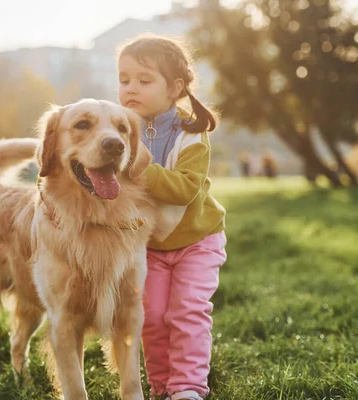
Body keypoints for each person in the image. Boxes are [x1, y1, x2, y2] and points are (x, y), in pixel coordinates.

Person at [117, 34, 227, 400]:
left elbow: (184, 189)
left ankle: (188, 387)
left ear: (174, 87)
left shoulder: (191, 132)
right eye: (124, 79)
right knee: (151, 316)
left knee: (187, 311)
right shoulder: (118, 132)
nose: (131, 88)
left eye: (144, 81)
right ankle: (163, 385)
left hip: (198, 240)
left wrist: (139, 169)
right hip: (148, 245)